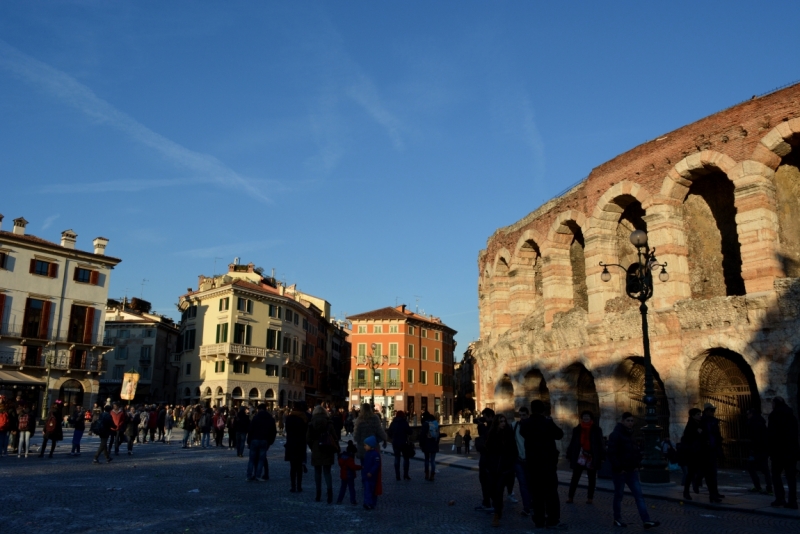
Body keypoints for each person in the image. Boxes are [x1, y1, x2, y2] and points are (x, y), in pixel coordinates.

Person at [607, 412, 659, 529]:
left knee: (639, 496)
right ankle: (617, 518)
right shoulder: (616, 434)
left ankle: (646, 520)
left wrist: (637, 465)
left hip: (631, 470)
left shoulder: (631, 434)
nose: (630, 423)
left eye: (631, 421)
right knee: (619, 495)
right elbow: (612, 453)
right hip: (620, 472)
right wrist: (619, 468)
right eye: (628, 421)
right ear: (623, 421)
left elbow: (635, 451)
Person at [519, 400, 565, 530]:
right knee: (551, 493)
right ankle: (552, 520)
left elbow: (523, 433)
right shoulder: (547, 423)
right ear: (543, 410)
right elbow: (559, 434)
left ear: (532, 409)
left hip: (533, 463)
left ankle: (538, 520)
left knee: (536, 493)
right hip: (547, 463)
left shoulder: (526, 424)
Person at [485, 413, 518, 528]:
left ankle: (496, 515)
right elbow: (486, 450)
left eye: (504, 421)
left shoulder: (508, 434)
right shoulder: (491, 434)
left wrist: (509, 466)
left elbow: (513, 450)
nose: (503, 423)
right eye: (501, 421)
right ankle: (498, 507)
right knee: (491, 491)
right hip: (492, 467)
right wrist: (487, 466)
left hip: (504, 469)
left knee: (499, 491)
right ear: (497, 423)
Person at [566, 410, 604, 505]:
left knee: (591, 478)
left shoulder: (596, 429)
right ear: (582, 418)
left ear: (591, 418)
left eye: (587, 416)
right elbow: (573, 442)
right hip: (580, 455)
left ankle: (590, 498)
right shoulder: (577, 429)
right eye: (584, 416)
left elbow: (600, 443)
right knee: (575, 477)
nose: (586, 418)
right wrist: (569, 454)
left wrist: (602, 456)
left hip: (591, 456)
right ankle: (570, 497)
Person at [767, 396, 799, 509]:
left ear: (775, 404)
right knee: (791, 478)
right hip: (791, 452)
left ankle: (780, 498)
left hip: (778, 452)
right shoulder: (791, 416)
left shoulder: (774, 416)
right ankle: (793, 501)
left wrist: (770, 451)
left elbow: (771, 436)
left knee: (776, 475)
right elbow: (795, 435)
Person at [307, 405, 339, 503]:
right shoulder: (329, 423)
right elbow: (335, 437)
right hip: (327, 447)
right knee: (327, 472)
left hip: (316, 448)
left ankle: (318, 494)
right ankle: (330, 494)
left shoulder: (312, 423)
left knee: (317, 472)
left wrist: (312, 446)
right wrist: (336, 449)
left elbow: (308, 438)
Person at [247, 403, 278, 482]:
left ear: (259, 409)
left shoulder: (255, 418)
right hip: (264, 440)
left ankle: (249, 476)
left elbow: (251, 430)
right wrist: (270, 441)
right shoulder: (270, 418)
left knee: (252, 459)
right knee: (261, 459)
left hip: (254, 439)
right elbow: (273, 432)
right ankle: (258, 475)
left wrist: (248, 441)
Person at [700, 403, 724, 503]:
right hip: (706, 450)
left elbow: (717, 435)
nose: (713, 412)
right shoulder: (702, 421)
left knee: (713, 473)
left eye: (713, 410)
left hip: (713, 449)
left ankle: (715, 492)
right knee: (710, 474)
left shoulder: (713, 421)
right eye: (711, 410)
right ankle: (712, 494)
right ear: (706, 411)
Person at [745, 408, 772, 495]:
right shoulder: (761, 422)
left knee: (752, 467)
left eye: (748, 414)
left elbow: (755, 438)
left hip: (757, 450)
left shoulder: (754, 424)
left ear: (751, 414)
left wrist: (752, 448)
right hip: (763, 449)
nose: (747, 416)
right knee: (764, 470)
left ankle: (760, 487)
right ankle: (767, 488)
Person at [511, 407, 532, 517]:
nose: (522, 417)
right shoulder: (514, 426)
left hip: (530, 460)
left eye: (524, 415)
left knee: (532, 484)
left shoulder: (532, 426)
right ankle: (526, 507)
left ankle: (533, 504)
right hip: (518, 459)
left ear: (528, 415)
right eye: (521, 415)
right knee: (523, 484)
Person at [474, 407, 495, 512]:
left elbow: (487, 437)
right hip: (485, 457)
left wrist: (481, 426)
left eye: (485, 417)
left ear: (490, 416)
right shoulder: (488, 426)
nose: (484, 419)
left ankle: (493, 504)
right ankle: (486, 502)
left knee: (490, 481)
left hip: (491, 458)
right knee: (483, 480)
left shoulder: (494, 427)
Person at [284, 402, 309, 493]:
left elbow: (287, 430)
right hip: (300, 444)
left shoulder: (289, 418)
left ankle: (293, 486)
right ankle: (299, 486)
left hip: (291, 444)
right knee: (299, 467)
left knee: (292, 467)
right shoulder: (304, 419)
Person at [679, 408, 703, 500]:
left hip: (698, 451)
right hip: (691, 453)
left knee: (698, 471)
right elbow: (688, 438)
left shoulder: (699, 424)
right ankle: (686, 491)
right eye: (698, 414)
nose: (700, 416)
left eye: (700, 414)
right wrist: (697, 433)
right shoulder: (691, 425)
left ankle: (694, 484)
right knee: (690, 473)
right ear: (693, 416)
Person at [388, 410, 412, 480]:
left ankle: (397, 475)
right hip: (404, 442)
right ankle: (405, 474)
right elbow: (410, 432)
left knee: (397, 458)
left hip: (395, 442)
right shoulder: (404, 422)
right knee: (406, 459)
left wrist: (393, 437)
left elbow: (389, 433)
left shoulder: (393, 423)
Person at [336, 440, 362, 505]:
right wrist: (361, 467)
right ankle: (353, 500)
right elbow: (353, 467)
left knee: (343, 488)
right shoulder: (349, 459)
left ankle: (339, 500)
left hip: (343, 475)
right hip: (350, 475)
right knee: (351, 488)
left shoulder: (342, 457)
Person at [361, 435, 382, 510]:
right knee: (367, 490)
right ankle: (367, 502)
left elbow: (376, 465)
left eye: (365, 445)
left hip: (372, 476)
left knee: (371, 490)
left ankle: (370, 503)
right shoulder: (368, 453)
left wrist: (371, 472)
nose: (364, 447)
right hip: (367, 475)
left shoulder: (375, 454)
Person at [419, 410, 441, 481]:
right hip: (434, 443)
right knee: (433, 460)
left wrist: (421, 444)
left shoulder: (425, 424)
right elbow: (438, 434)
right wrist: (437, 442)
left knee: (426, 460)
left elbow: (422, 435)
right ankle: (432, 475)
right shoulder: (435, 423)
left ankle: (426, 474)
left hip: (426, 443)